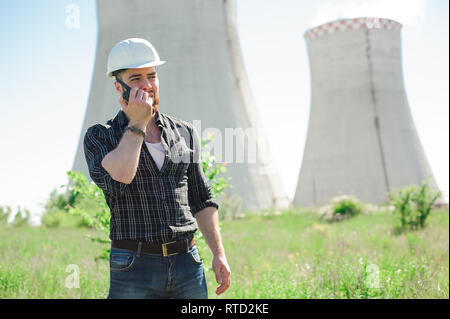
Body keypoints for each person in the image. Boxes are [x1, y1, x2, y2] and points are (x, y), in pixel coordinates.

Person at [83, 38, 231, 299]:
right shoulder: (100, 137)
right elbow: (121, 177)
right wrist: (138, 122)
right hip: (133, 266)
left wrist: (219, 254)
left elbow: (201, 198)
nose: (147, 85)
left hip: (188, 263)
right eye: (136, 78)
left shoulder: (184, 132)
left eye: (152, 76)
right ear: (119, 88)